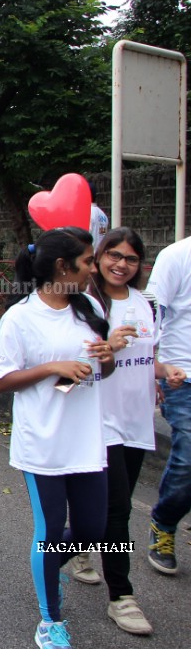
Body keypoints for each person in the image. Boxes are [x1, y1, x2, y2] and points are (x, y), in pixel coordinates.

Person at [0, 227, 119, 649]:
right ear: (63, 267)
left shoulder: (89, 308)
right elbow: (2, 381)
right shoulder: (20, 317)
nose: (94, 268)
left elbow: (105, 373)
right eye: (87, 262)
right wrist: (52, 367)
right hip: (42, 441)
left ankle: (47, 567)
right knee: (49, 531)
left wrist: (108, 359)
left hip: (87, 439)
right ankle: (51, 621)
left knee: (91, 530)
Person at [79, 227, 185, 634]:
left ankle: (72, 549)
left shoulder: (145, 304)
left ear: (141, 265)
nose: (121, 264)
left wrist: (165, 372)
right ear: (100, 257)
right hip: (99, 420)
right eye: (114, 255)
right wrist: (111, 345)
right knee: (119, 510)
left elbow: (148, 357)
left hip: (137, 423)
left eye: (131, 259)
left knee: (104, 510)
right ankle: (121, 596)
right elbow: (76, 362)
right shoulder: (87, 304)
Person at [145, 228, 191, 577]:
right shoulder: (176, 256)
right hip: (182, 375)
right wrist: (152, 369)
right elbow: (151, 317)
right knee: (189, 456)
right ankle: (164, 520)